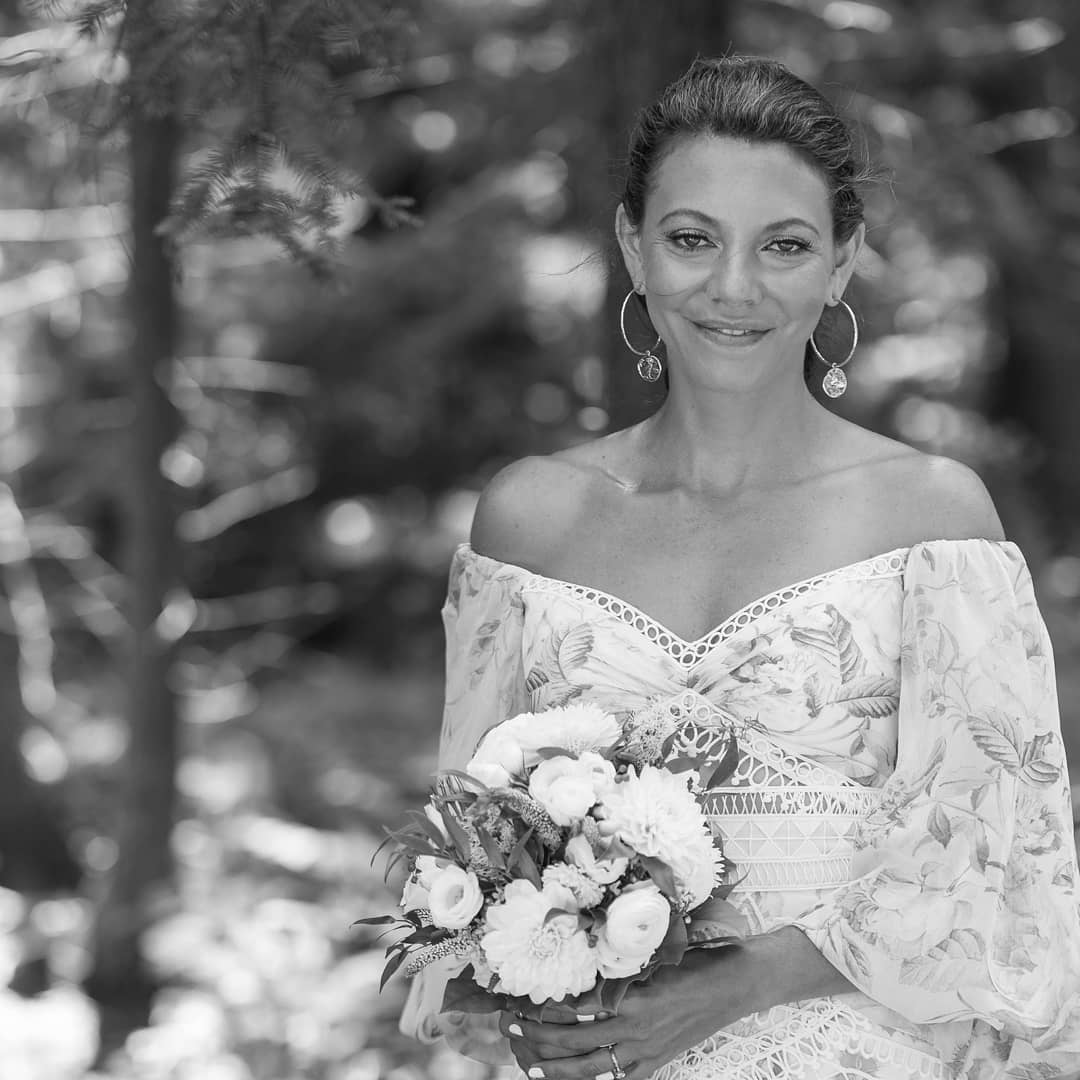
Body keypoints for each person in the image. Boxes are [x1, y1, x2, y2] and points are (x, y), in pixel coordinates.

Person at [400, 55, 1080, 1080]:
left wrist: (740, 982)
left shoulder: (934, 521)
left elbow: (1003, 869)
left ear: (842, 264)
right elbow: (472, 848)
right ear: (633, 246)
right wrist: (520, 971)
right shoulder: (527, 524)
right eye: (690, 239)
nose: (732, 287)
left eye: (785, 246)